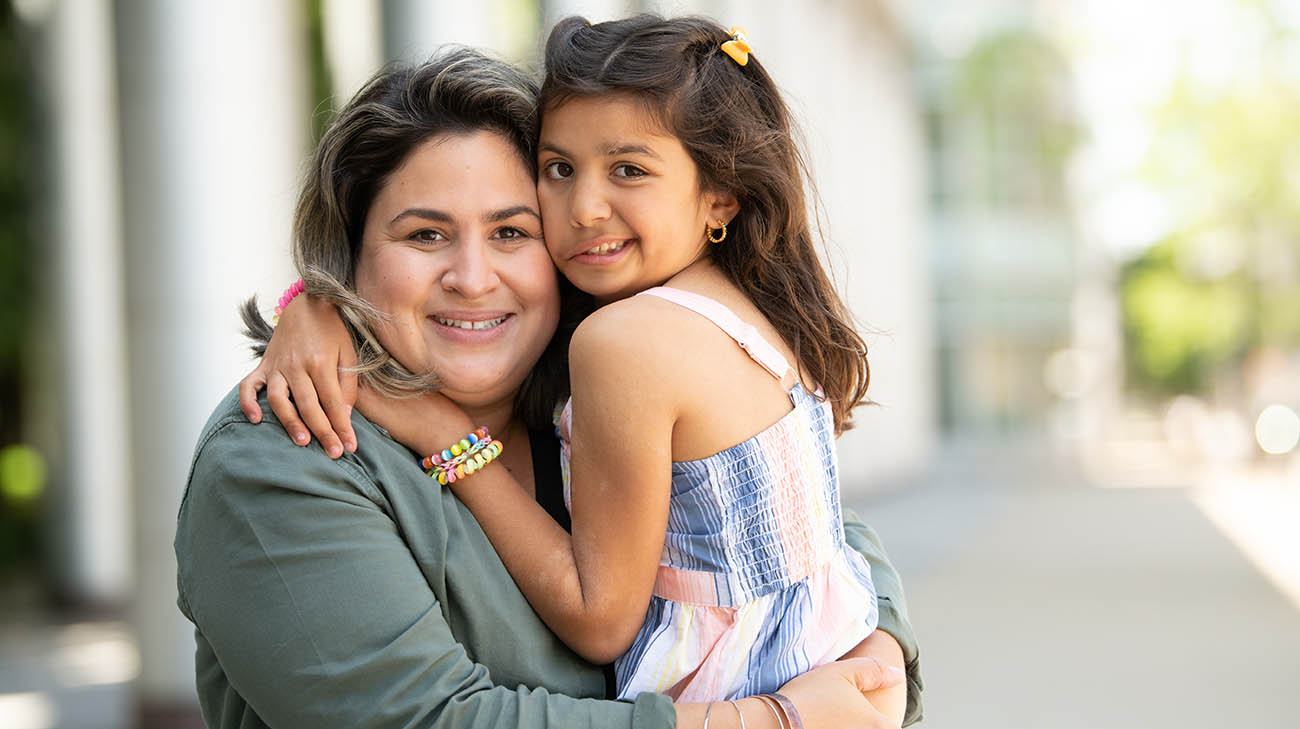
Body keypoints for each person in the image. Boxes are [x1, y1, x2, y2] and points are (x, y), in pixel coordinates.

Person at [179, 47, 919, 729]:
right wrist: (774, 719)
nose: (473, 278)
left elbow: (796, 520)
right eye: (425, 236)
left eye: (511, 232)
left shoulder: (591, 387)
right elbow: (427, 720)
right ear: (351, 252)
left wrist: (873, 660)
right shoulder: (282, 460)